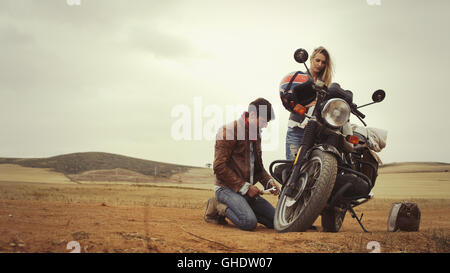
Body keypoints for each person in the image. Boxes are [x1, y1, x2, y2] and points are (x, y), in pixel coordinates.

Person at [204, 98, 280, 231]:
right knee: (248, 222)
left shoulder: (256, 134)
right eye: (263, 121)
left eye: (266, 122)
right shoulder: (228, 131)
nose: (265, 126)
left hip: (246, 192)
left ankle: (242, 207)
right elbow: (219, 167)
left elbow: (258, 168)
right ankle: (217, 205)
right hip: (226, 189)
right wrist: (245, 187)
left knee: (276, 222)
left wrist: (269, 183)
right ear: (252, 115)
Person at [283, 46, 334, 160]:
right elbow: (289, 98)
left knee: (313, 167)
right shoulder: (299, 79)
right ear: (311, 60)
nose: (320, 64)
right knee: (292, 166)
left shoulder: (326, 85)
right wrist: (302, 104)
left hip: (315, 132)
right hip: (296, 127)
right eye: (317, 60)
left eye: (323, 62)